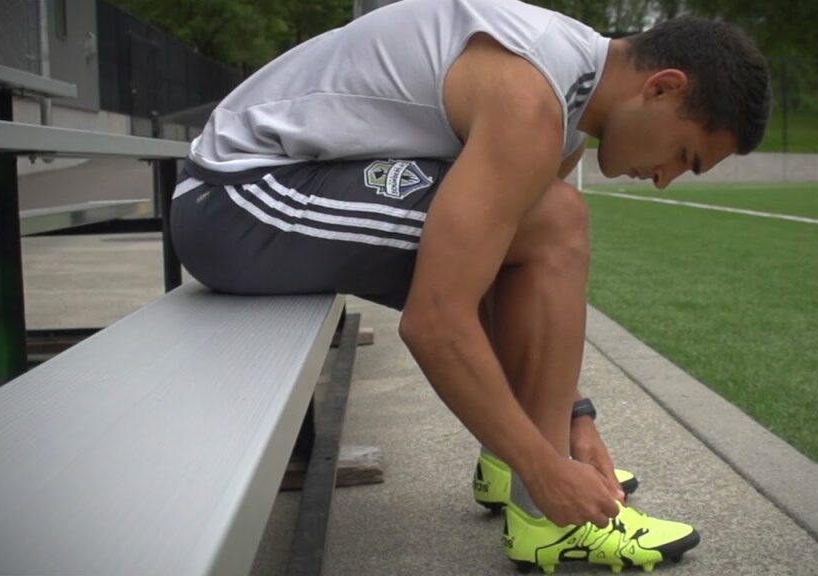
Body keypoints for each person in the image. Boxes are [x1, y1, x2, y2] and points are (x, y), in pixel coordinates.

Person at [170, 0, 771, 571]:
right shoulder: (530, 97)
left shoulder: (566, 105)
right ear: (663, 87)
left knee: (539, 223)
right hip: (237, 197)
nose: (665, 180)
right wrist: (544, 466)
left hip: (279, 187)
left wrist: (575, 419)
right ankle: (545, 517)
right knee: (559, 220)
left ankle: (502, 462)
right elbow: (435, 320)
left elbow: (499, 274)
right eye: (684, 155)